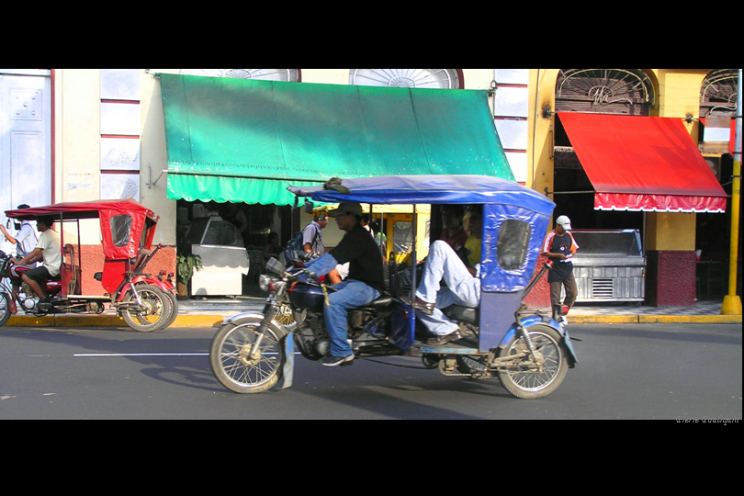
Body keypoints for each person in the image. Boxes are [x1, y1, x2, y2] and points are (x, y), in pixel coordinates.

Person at [301, 202, 385, 366]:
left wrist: (305, 274)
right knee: (319, 293)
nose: (336, 219)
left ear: (351, 216)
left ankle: (342, 351)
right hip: (354, 282)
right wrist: (302, 267)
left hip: (369, 286)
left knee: (333, 302)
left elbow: (332, 260)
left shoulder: (358, 236)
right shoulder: (352, 234)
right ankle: (330, 336)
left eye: (340, 215)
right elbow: (330, 256)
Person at [404, 239, 479, 345]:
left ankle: (426, 300)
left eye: (473, 223)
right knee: (413, 298)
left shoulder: (494, 252)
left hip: (474, 290)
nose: (471, 227)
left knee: (439, 246)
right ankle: (448, 330)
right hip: (465, 293)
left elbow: (476, 272)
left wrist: (450, 267)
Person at [10, 215, 61, 302]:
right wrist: (29, 262)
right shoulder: (53, 233)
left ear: (42, 224)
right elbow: (41, 254)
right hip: (54, 266)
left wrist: (19, 262)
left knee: (26, 276)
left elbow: (36, 251)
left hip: (50, 268)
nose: (36, 226)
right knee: (33, 273)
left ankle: (42, 298)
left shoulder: (46, 234)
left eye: (37, 224)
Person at [541, 215, 579, 324]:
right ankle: (557, 318)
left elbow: (574, 248)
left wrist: (571, 254)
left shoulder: (568, 235)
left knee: (573, 293)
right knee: (555, 296)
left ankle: (563, 313)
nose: (564, 231)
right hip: (555, 268)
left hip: (567, 267)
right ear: (557, 225)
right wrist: (557, 255)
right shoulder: (550, 235)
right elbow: (544, 251)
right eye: (562, 228)